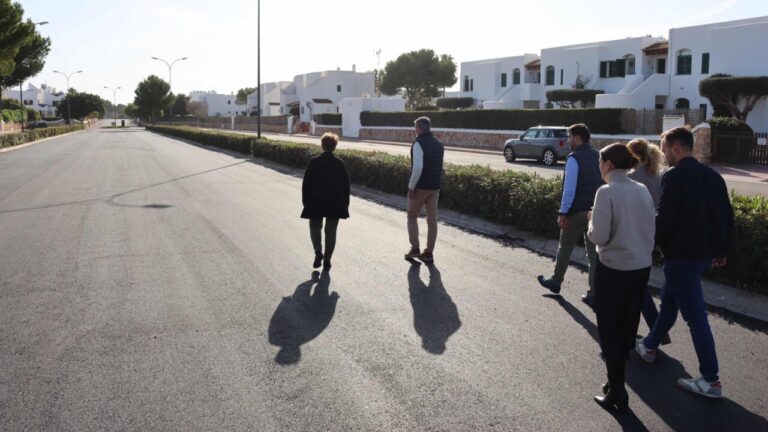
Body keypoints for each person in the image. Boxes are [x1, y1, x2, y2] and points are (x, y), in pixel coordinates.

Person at [636, 127, 734, 399]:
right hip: (702, 257)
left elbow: (665, 220)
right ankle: (650, 345)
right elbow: (726, 215)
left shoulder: (674, 176)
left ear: (676, 148)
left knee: (696, 318)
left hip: (681, 258)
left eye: (665, 148)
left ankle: (711, 380)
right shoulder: (713, 176)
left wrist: (647, 245)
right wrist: (722, 249)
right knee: (669, 302)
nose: (664, 154)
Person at [588, 143, 656, 413]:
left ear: (608, 164)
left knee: (610, 329)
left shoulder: (606, 192)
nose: (599, 166)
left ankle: (617, 389)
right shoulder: (641, 189)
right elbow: (651, 226)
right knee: (627, 325)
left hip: (613, 269)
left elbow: (600, 236)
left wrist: (591, 222)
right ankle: (614, 381)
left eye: (600, 161)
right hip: (641, 267)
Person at [537, 123, 603, 307]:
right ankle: (594, 293)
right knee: (593, 254)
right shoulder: (598, 156)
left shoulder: (574, 158)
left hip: (575, 212)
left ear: (577, 137)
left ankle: (556, 281)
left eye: (569, 137)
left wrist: (563, 212)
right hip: (594, 211)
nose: (568, 141)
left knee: (565, 247)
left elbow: (569, 189)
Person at [627, 139, 671, 345]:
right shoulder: (657, 174)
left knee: (635, 284)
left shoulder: (633, 177)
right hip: (654, 233)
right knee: (637, 283)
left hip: (637, 234)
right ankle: (656, 330)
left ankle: (656, 329)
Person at [300, 133, 351, 271]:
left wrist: (306, 202)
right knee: (331, 231)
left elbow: (306, 184)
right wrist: (346, 203)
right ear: (335, 146)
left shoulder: (314, 162)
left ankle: (318, 252)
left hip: (315, 201)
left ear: (322, 145)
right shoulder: (339, 164)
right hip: (335, 203)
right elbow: (346, 186)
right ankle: (327, 260)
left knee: (315, 227)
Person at [404, 117, 445, 263]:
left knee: (412, 216)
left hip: (420, 187)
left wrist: (411, 186)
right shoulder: (439, 145)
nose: (415, 130)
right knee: (432, 220)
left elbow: (418, 167)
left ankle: (415, 248)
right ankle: (429, 253)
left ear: (419, 128)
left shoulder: (418, 144)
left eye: (415, 127)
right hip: (434, 187)